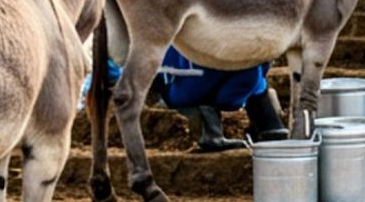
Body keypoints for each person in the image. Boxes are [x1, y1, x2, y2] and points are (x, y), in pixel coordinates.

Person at [95, 49, 288, 151]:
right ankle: (269, 129)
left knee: (252, 69)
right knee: (253, 70)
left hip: (195, 81)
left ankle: (269, 128)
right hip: (186, 85)